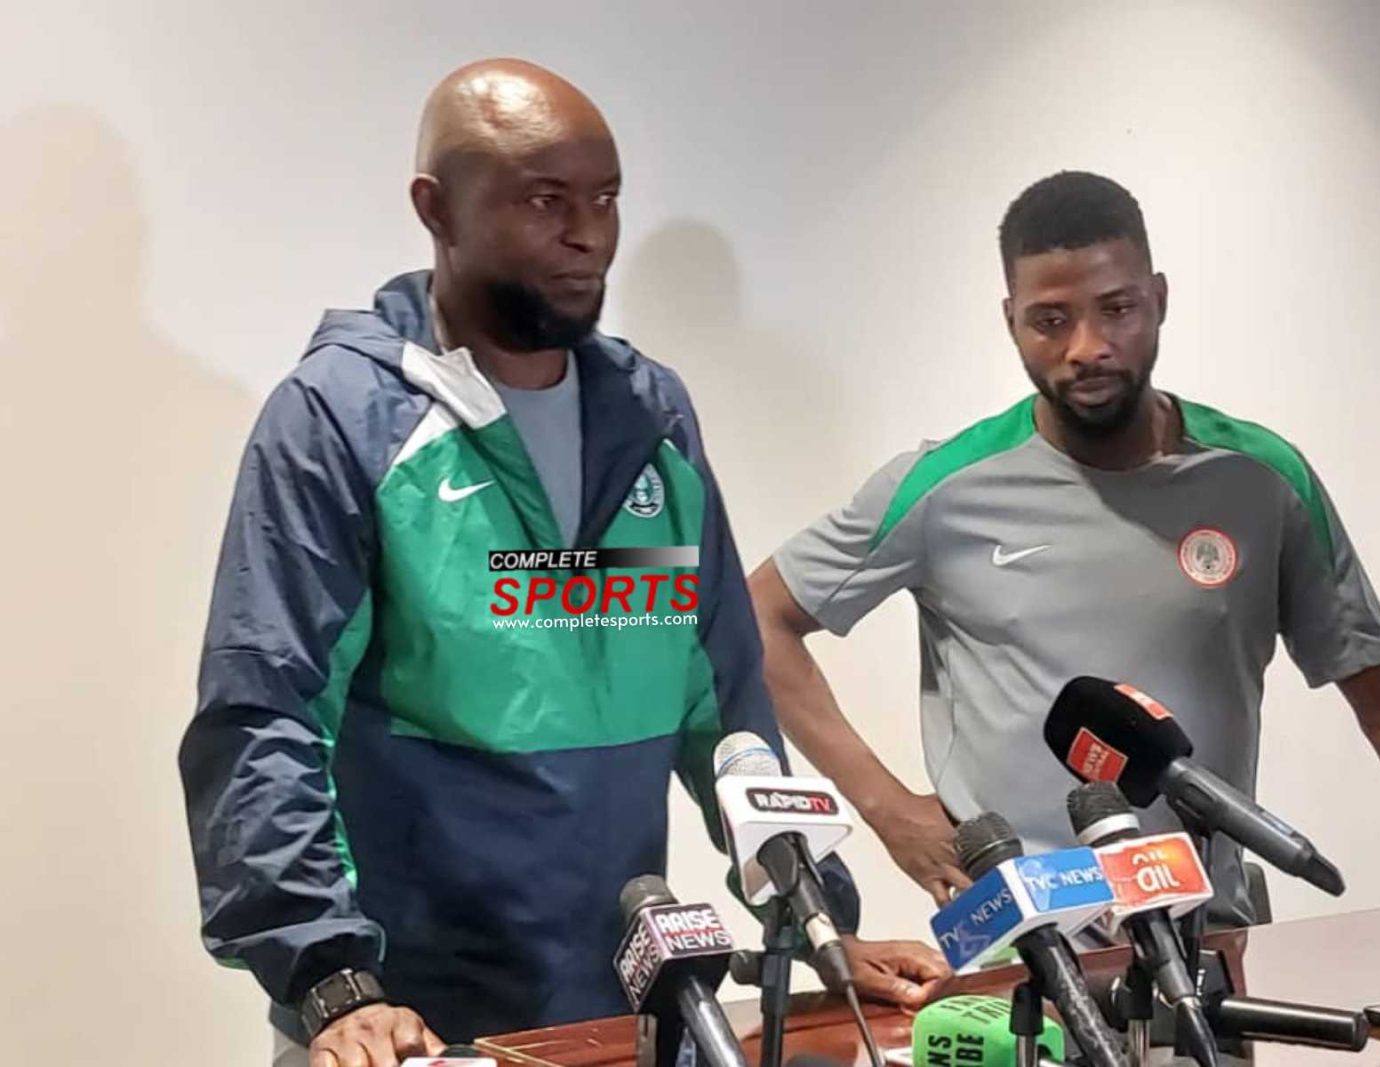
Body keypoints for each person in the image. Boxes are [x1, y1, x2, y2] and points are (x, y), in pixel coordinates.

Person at [179, 59, 946, 1067]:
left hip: (627, 1012)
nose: (589, 233)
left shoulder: (649, 417)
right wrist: (329, 979)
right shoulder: (340, 419)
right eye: (546, 200)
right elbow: (262, 715)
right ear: (435, 208)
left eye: (606, 198)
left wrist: (814, 924)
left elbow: (721, 702)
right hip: (406, 1026)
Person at [750, 170, 1380, 958]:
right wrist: (889, 808)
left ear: (1158, 300)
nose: (1088, 345)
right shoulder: (943, 487)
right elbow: (760, 617)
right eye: (1051, 319)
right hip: (1019, 948)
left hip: (1207, 937)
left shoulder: (1261, 480)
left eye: (1116, 308)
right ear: (1010, 321)